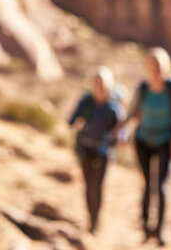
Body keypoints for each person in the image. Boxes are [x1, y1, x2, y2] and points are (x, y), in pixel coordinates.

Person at [117, 46, 171, 245]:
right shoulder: (142, 88)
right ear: (147, 67)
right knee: (148, 184)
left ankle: (160, 230)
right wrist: (120, 131)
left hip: (165, 140)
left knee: (162, 185)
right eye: (152, 64)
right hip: (143, 140)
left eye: (160, 65)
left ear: (166, 67)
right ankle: (146, 228)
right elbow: (131, 114)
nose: (156, 69)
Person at [68, 66, 125, 234]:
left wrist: (118, 136)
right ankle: (90, 218)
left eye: (103, 83)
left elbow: (120, 131)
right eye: (97, 83)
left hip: (103, 151)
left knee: (97, 186)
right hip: (85, 148)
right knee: (87, 185)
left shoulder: (114, 107)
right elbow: (71, 121)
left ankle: (95, 221)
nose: (99, 86)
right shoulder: (86, 101)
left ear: (109, 85)